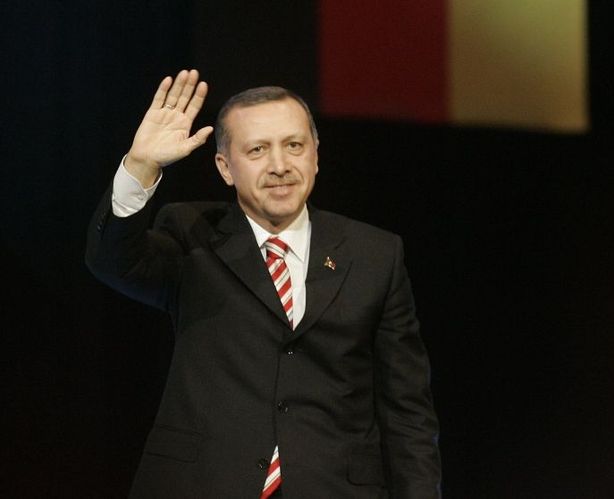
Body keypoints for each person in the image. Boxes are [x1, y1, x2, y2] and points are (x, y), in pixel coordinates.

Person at [86, 69, 441, 498]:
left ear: (315, 155)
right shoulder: (190, 233)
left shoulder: (375, 254)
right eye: (257, 149)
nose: (279, 166)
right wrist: (140, 166)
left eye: (294, 146)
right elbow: (112, 262)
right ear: (225, 167)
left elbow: (408, 412)